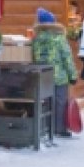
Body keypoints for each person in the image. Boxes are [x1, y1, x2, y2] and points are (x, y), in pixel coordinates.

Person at [31, 7, 78, 138]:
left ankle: (45, 127)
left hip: (42, 76)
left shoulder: (36, 39)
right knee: (60, 102)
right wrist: (73, 76)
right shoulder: (59, 38)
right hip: (59, 77)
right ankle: (59, 129)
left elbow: (34, 57)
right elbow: (67, 58)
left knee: (45, 102)